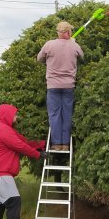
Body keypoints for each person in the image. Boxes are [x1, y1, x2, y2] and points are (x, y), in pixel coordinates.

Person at [37, 21, 84, 151]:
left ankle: (57, 144)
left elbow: (39, 59)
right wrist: (72, 44)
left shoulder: (49, 45)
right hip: (69, 86)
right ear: (69, 32)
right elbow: (82, 57)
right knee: (67, 114)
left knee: (54, 115)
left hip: (52, 86)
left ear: (58, 32)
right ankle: (65, 144)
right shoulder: (75, 46)